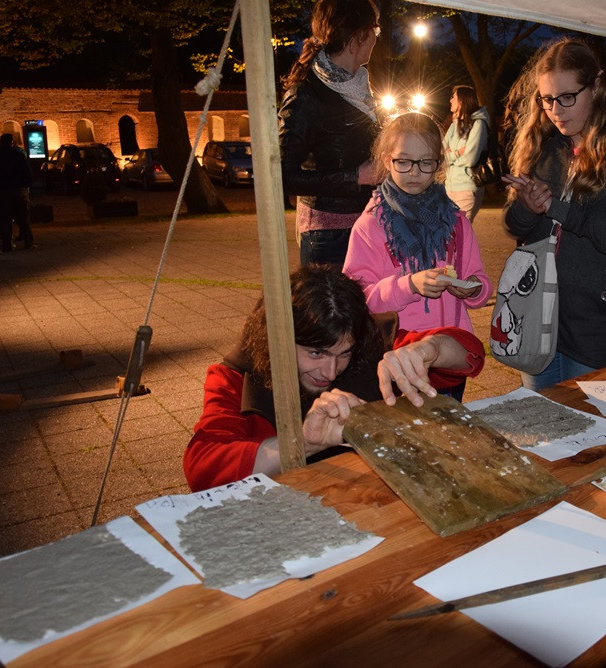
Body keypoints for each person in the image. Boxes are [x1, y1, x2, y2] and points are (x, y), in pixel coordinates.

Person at [183, 265, 485, 492]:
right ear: (278, 339)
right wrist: (302, 443)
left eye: (344, 353)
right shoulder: (235, 377)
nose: (330, 372)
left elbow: (469, 355)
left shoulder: (367, 346)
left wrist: (431, 348)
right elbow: (201, 468)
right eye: (316, 354)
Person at [502, 38, 606, 390]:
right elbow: (513, 226)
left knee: (587, 433)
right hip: (534, 312)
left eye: (567, 97)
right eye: (547, 99)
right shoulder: (543, 145)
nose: (555, 110)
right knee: (540, 428)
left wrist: (559, 209)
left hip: (593, 322)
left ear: (596, 87)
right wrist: (527, 206)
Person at [342, 112, 491, 336]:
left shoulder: (457, 223)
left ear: (438, 162)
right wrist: (408, 286)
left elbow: (480, 281)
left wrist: (472, 288)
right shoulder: (370, 227)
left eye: (425, 162)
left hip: (449, 349)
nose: (414, 171)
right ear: (386, 159)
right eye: (403, 161)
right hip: (397, 352)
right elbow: (358, 299)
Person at [278, 0, 381, 269]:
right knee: (332, 310)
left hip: (365, 222)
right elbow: (283, 177)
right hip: (328, 234)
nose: (375, 38)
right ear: (359, 35)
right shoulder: (306, 94)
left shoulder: (360, 87)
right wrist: (355, 177)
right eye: (375, 30)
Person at [443, 85, 489, 222]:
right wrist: (457, 153)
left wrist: (450, 155)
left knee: (460, 233)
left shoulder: (478, 124)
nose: (450, 100)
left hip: (467, 188)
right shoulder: (454, 125)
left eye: (454, 97)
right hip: (449, 188)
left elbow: (470, 159)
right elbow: (440, 154)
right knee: (450, 235)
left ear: (462, 101)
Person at [0, 133, 35, 251]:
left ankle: (7, 244)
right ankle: (28, 243)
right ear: (12, 142)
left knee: (5, 219)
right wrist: (27, 185)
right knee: (24, 218)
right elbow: (27, 172)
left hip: (3, 191)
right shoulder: (18, 155)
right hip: (19, 190)